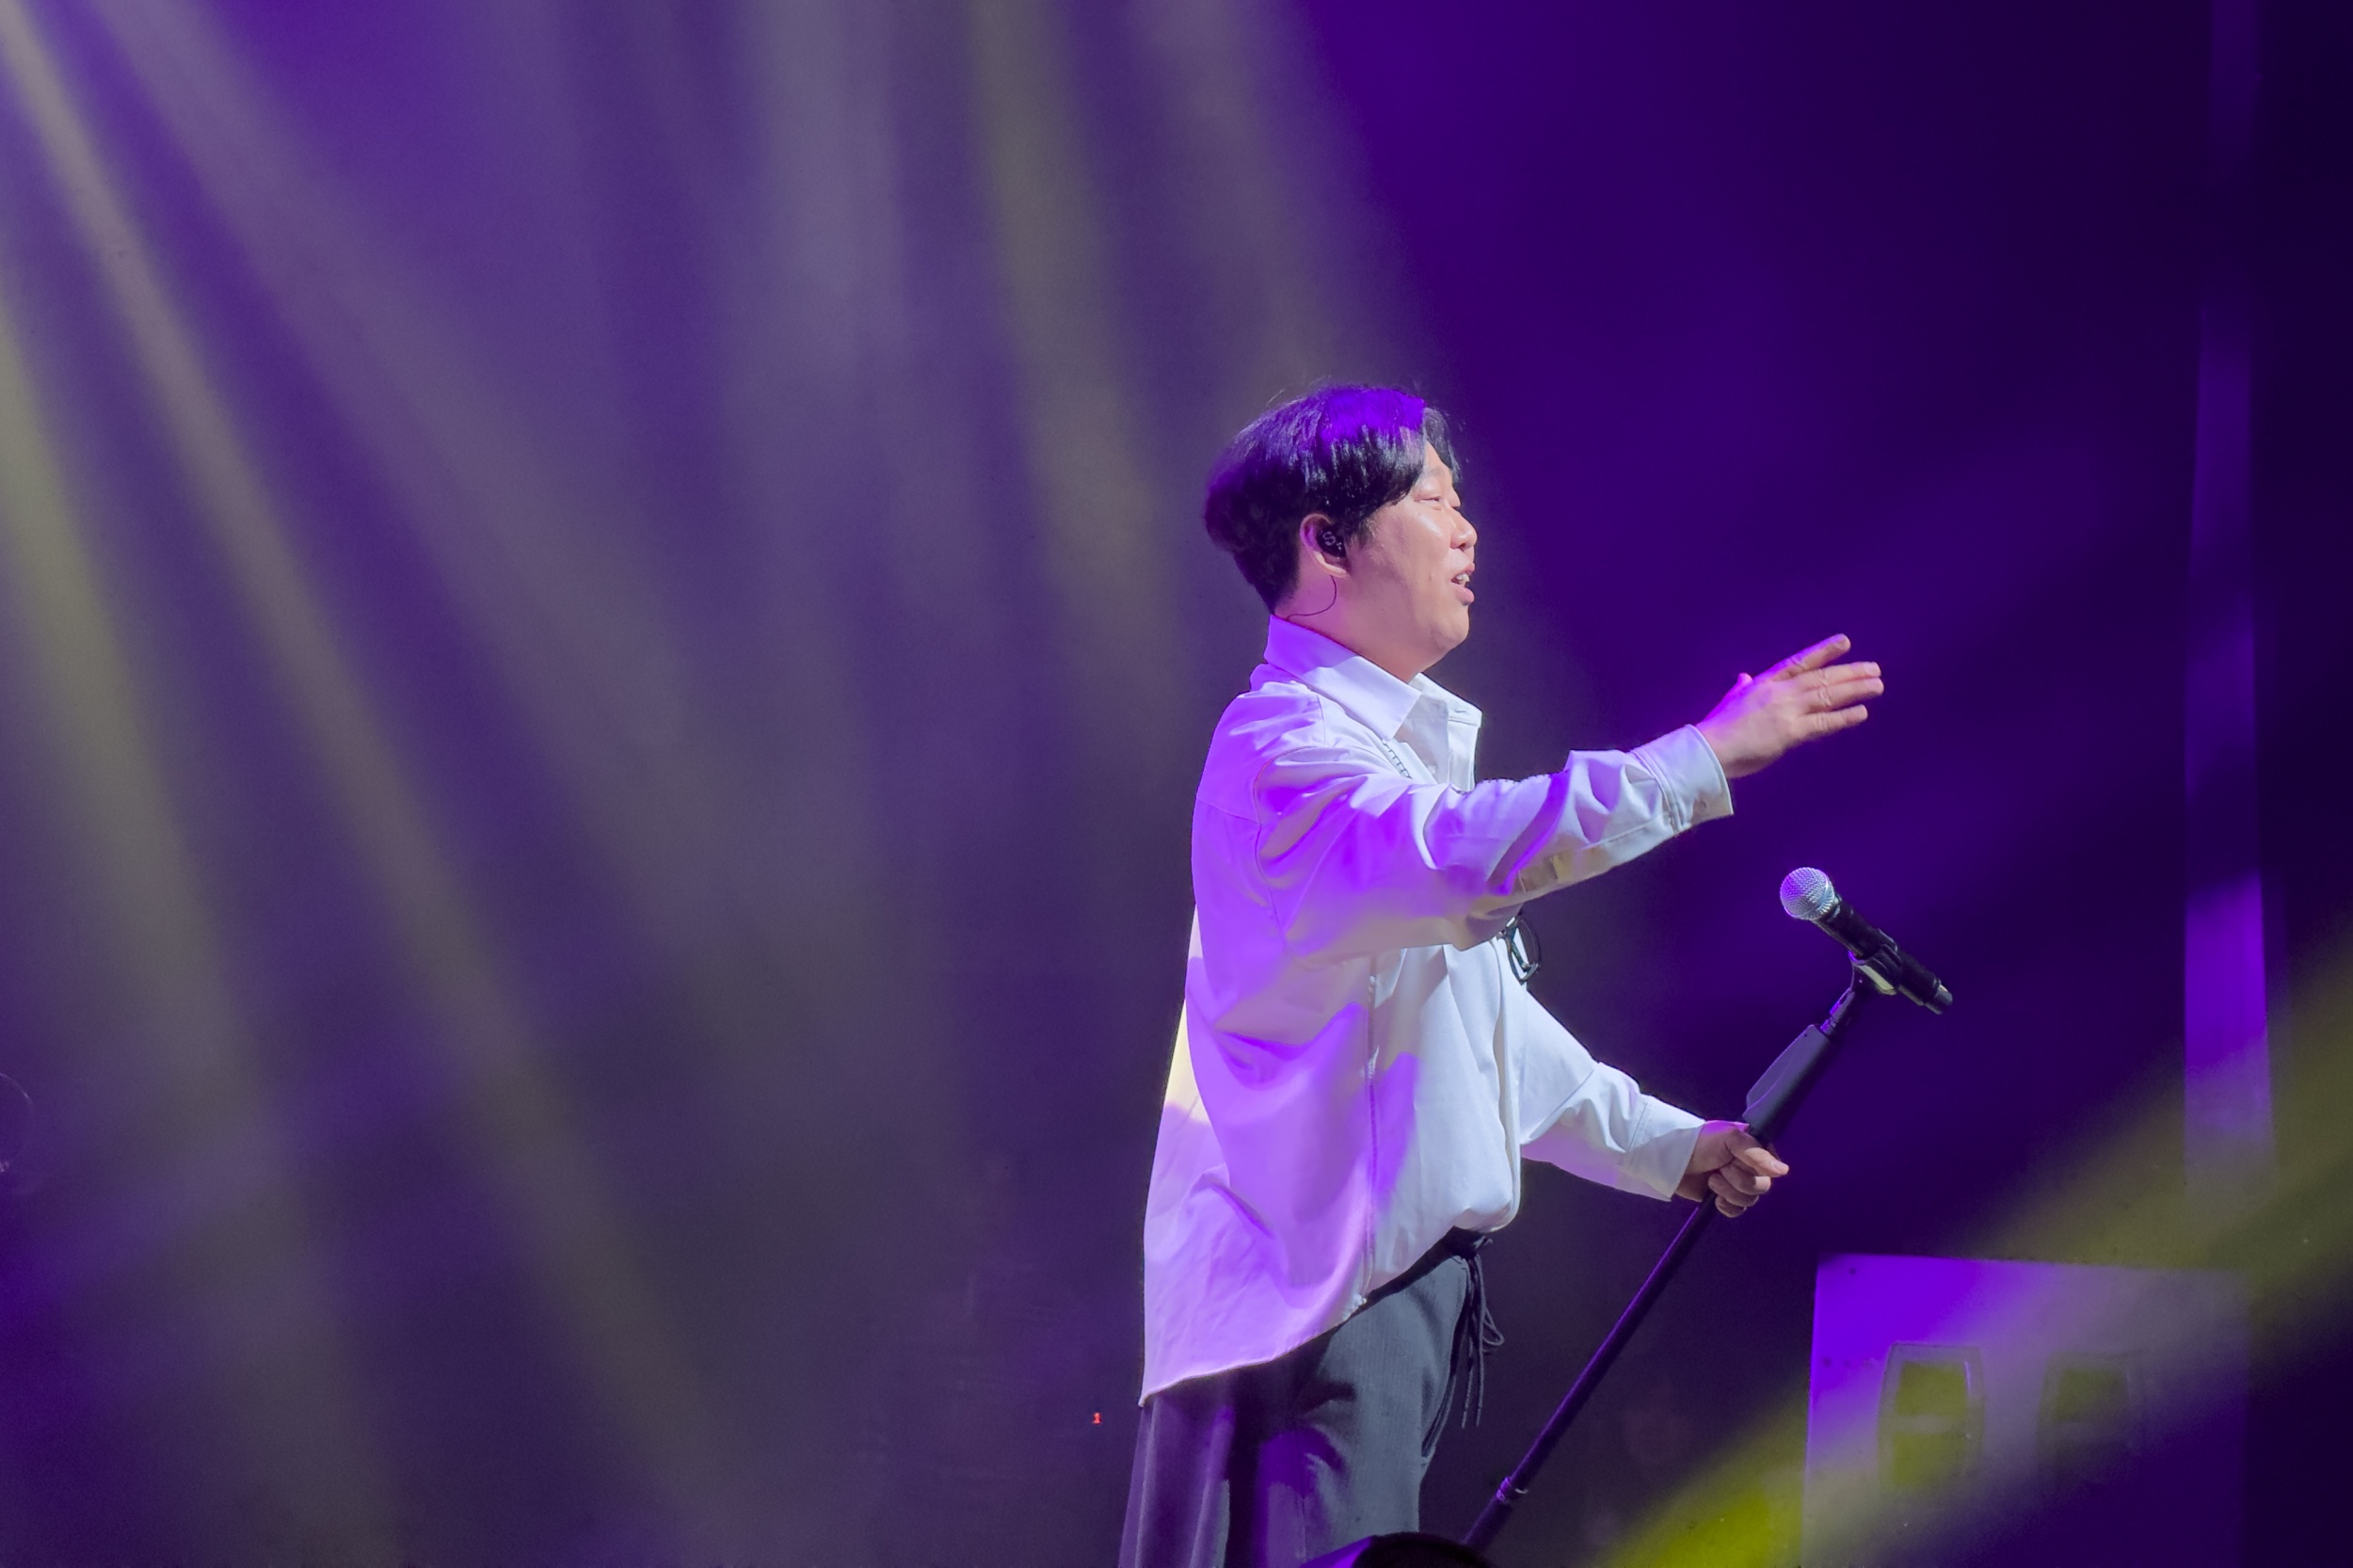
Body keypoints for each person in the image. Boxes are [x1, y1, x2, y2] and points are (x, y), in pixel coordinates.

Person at [1118, 386, 1884, 1568]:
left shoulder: (1372, 754)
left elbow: (1483, 1034)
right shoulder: (1279, 754)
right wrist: (1703, 755)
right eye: (1433, 500)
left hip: (1365, 1311)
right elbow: (1466, 858)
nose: (1467, 530)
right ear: (1328, 544)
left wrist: (1666, 1144)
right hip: (1307, 1324)